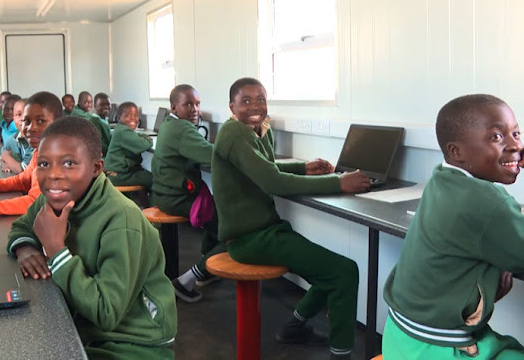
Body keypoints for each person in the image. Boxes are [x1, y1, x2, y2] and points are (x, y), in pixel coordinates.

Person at [212, 77, 370, 360]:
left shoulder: (256, 130)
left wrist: (303, 168)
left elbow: (266, 168)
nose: (255, 106)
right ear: (231, 107)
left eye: (260, 99)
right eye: (245, 101)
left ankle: (295, 327)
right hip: (250, 239)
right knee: (343, 272)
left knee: (328, 269)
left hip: (264, 231)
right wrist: (339, 183)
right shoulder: (235, 133)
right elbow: (272, 181)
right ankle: (340, 354)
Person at [7, 117, 177, 358]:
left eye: (69, 163)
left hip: (133, 342)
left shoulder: (121, 220)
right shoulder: (54, 200)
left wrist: (56, 250)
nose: (53, 175)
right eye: (44, 164)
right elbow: (22, 227)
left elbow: (106, 312)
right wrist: (26, 248)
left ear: (96, 167)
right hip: (83, 324)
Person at [382, 94, 524, 360]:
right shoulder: (485, 202)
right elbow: (498, 216)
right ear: (456, 151)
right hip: (439, 349)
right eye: (496, 137)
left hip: (401, 338)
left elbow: (503, 220)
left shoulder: (443, 177)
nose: (515, 145)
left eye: (516, 133)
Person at [152, 84, 225, 303]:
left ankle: (207, 269)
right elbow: (213, 156)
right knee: (232, 225)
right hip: (178, 198)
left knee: (216, 215)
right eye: (188, 104)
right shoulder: (182, 129)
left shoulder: (169, 124)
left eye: (197, 104)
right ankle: (186, 280)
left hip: (164, 194)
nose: (194, 109)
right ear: (174, 106)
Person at [104, 101, 153, 189]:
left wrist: (143, 137)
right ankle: (153, 202)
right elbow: (142, 145)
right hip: (119, 176)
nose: (133, 119)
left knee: (146, 175)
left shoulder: (121, 129)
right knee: (154, 179)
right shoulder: (123, 131)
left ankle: (140, 200)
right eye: (127, 116)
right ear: (119, 118)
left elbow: (137, 136)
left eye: (136, 115)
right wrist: (149, 140)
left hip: (120, 173)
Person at [0, 97, 35, 174]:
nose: (22, 118)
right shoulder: (13, 138)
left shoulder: (35, 141)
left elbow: (23, 169)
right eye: (18, 115)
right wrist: (4, 163)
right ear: (14, 118)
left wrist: (6, 157)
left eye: (26, 114)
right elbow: (2, 154)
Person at [88, 92, 112, 157]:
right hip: (102, 157)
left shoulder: (104, 120)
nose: (106, 107)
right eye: (102, 105)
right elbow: (100, 145)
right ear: (95, 106)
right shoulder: (94, 122)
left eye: (108, 104)